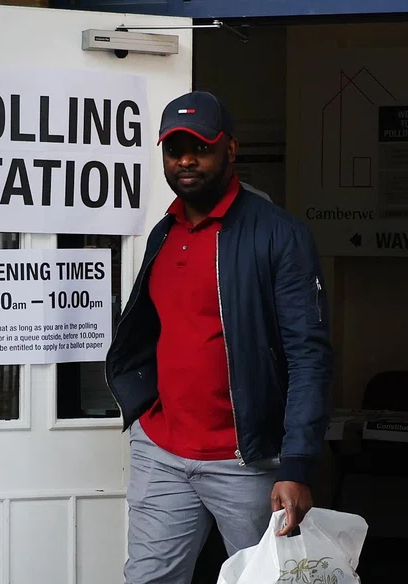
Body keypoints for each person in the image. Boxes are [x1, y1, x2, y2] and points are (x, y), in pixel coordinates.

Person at [105, 90, 334, 584]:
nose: (186, 160)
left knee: (271, 580)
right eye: (174, 149)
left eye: (201, 147)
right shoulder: (163, 233)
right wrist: (145, 411)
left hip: (246, 460)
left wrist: (295, 464)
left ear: (230, 149)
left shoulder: (277, 234)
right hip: (163, 452)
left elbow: (308, 355)